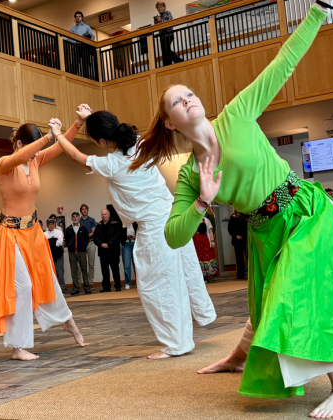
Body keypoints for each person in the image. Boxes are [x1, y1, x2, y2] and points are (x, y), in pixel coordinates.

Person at [130, 0, 333, 417]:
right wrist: (202, 199)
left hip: (305, 213)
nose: (188, 98)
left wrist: (321, 0)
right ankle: (238, 358)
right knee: (266, 306)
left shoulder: (236, 115)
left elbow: (284, 62)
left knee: (292, 296)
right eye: (176, 100)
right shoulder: (186, 174)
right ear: (169, 121)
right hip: (263, 232)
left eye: (190, 93)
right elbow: (175, 236)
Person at [51, 107, 216, 358]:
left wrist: (58, 133)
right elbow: (104, 131)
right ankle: (198, 317)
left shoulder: (112, 163)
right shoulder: (140, 144)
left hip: (154, 228)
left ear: (103, 142)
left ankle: (178, 343)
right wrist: (88, 119)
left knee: (159, 286)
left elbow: (75, 155)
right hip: (174, 219)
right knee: (184, 271)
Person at [0, 115, 86, 362]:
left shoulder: (36, 160)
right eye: (34, 145)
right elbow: (21, 156)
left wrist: (77, 124)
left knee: (47, 280)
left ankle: (67, 321)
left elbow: (60, 145)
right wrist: (47, 138)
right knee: (23, 287)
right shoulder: (4, 164)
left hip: (33, 232)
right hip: (9, 235)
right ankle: (18, 347)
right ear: (19, 144)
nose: (36, 151)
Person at [94, 208, 123, 292]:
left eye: (105, 214)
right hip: (103, 251)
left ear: (109, 215)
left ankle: (118, 286)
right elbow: (95, 237)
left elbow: (118, 235)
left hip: (113, 250)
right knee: (104, 270)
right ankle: (106, 287)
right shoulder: (99, 225)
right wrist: (101, 244)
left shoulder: (115, 224)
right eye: (102, 214)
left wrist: (109, 243)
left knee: (115, 269)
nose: (103, 216)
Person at [65, 211, 91, 295]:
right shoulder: (68, 229)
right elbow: (67, 240)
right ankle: (76, 288)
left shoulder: (83, 228)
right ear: (71, 218)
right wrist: (70, 247)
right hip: (72, 253)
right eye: (73, 217)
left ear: (79, 218)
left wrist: (82, 247)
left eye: (77, 216)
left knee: (84, 269)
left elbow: (86, 239)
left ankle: (87, 287)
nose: (75, 218)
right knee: (74, 270)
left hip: (82, 252)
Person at [154, 1, 183, 66]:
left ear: (164, 7)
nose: (159, 9)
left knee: (166, 50)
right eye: (158, 8)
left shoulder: (168, 13)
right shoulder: (159, 17)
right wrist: (156, 23)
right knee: (164, 51)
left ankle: (178, 61)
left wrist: (160, 21)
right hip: (162, 37)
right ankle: (168, 64)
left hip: (168, 35)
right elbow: (158, 28)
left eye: (160, 7)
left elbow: (168, 24)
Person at [79, 204, 98, 291]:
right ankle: (81, 283)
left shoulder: (92, 220)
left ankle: (90, 283)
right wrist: (83, 238)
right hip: (82, 244)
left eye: (86, 209)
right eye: (83, 209)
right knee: (82, 265)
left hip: (91, 243)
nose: (84, 210)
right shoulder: (78, 221)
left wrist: (85, 236)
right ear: (81, 211)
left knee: (91, 264)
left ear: (88, 210)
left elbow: (93, 232)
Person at [44, 218, 66, 294]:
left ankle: (62, 289)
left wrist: (49, 242)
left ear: (55, 224)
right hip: (48, 256)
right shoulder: (44, 234)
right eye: (49, 224)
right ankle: (52, 291)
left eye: (52, 224)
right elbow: (44, 245)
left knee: (59, 272)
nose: (51, 226)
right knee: (50, 273)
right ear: (47, 225)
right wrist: (53, 241)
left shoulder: (59, 232)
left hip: (58, 255)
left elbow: (59, 243)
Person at [194, 215, 218, 282]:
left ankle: (209, 275)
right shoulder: (192, 219)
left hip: (204, 240)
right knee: (198, 257)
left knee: (207, 256)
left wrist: (212, 241)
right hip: (195, 240)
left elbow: (210, 231)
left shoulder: (206, 220)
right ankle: (201, 277)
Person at [228, 211, 248, 279]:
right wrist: (236, 235)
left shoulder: (246, 216)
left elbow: (247, 228)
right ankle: (240, 273)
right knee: (239, 258)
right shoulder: (233, 217)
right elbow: (230, 229)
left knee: (248, 256)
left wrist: (243, 235)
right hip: (236, 240)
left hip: (245, 239)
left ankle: (248, 272)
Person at [122, 222, 137, 289]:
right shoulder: (122, 222)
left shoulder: (135, 223)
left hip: (135, 244)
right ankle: (127, 283)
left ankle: (139, 282)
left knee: (137, 264)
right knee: (127, 265)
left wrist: (135, 236)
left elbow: (140, 232)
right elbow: (119, 234)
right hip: (126, 244)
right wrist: (126, 236)